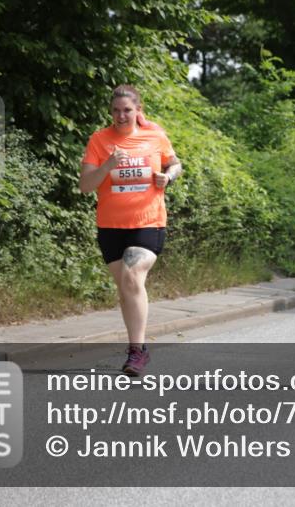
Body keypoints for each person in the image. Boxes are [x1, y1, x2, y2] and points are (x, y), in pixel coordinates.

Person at [79, 85, 181, 376]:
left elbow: (175, 163)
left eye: (127, 109)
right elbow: (85, 186)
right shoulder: (100, 140)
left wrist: (168, 176)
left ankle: (136, 352)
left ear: (138, 110)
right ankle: (138, 349)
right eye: (116, 110)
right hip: (111, 226)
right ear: (111, 112)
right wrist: (108, 164)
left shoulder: (154, 135)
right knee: (126, 288)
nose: (121, 115)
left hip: (148, 221)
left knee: (132, 275)